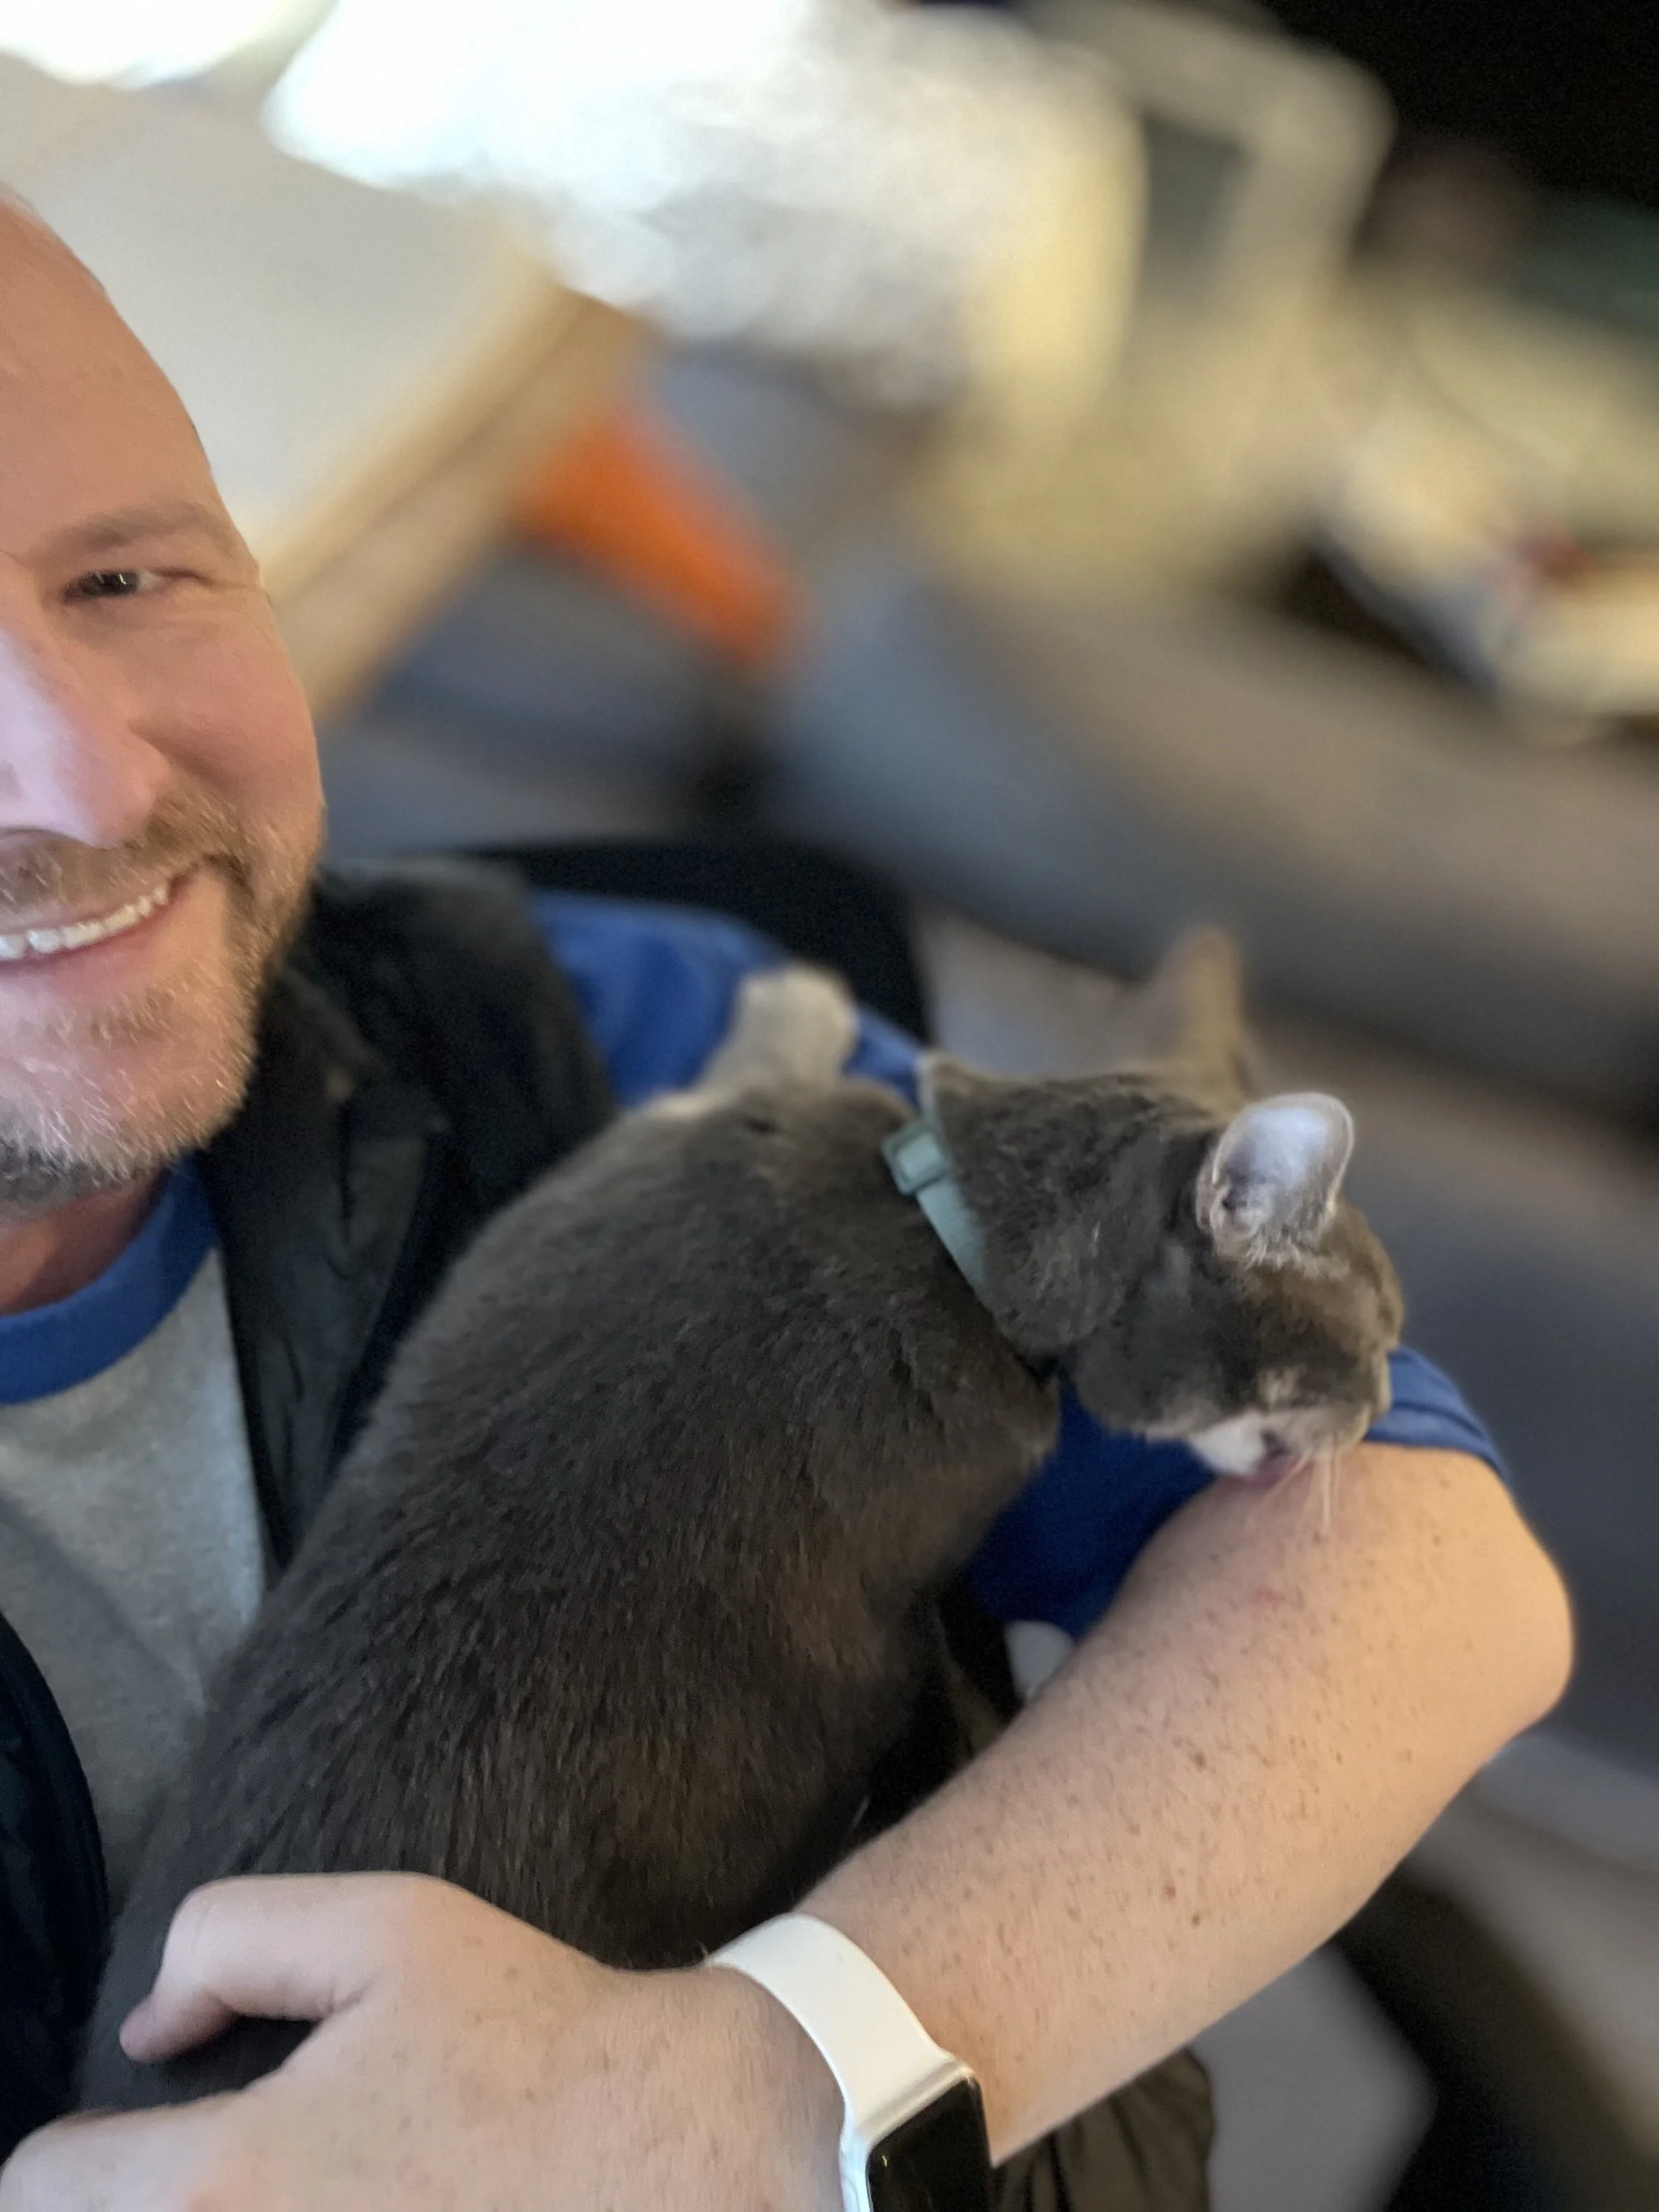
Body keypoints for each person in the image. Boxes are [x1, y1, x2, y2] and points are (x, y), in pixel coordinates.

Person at [0, 198, 1570, 2211]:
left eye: (127, 575)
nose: (92, 779)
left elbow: (1441, 1581)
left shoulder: (568, 1034)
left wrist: (763, 2083)